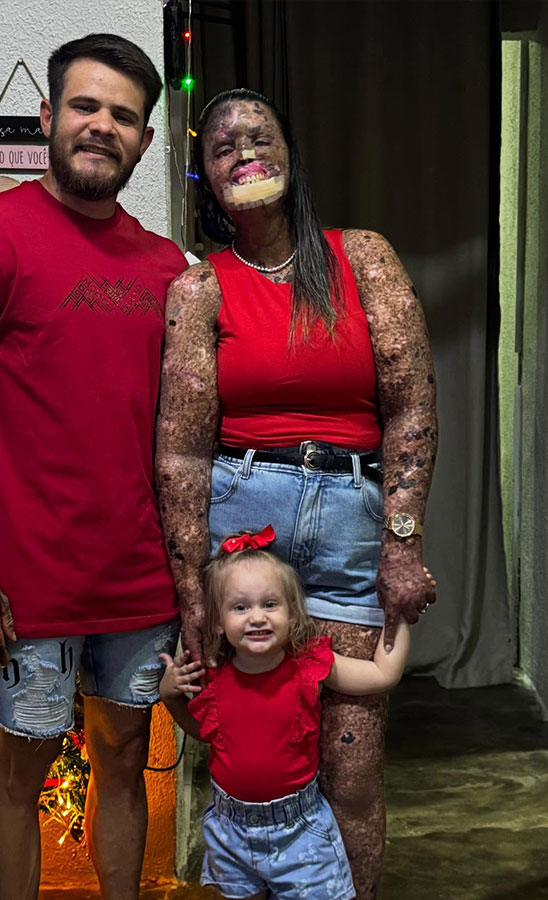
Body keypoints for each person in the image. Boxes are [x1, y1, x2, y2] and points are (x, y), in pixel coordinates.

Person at [0, 35, 186, 900]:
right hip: (22, 580)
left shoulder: (169, 267)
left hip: (136, 575)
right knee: (19, 775)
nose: (102, 126)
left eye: (124, 116)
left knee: (123, 760)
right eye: (85, 106)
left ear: (143, 141)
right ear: (48, 118)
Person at [155, 89, 438, 899]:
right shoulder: (199, 289)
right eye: (221, 146)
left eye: (259, 134)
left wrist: (402, 540)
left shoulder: (364, 258)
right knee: (248, 758)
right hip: (244, 524)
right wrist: (191, 597)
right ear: (205, 180)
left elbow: (411, 402)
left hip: (353, 519)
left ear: (288, 151)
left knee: (348, 775)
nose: (243, 150)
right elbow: (179, 449)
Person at [159, 529, 412, 900]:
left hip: (300, 833)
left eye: (270, 604)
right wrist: (169, 695)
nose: (257, 617)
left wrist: (401, 611)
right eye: (240, 607)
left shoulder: (309, 666)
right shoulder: (211, 676)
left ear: (293, 615)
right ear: (217, 622)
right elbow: (204, 732)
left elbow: (382, 674)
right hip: (231, 835)